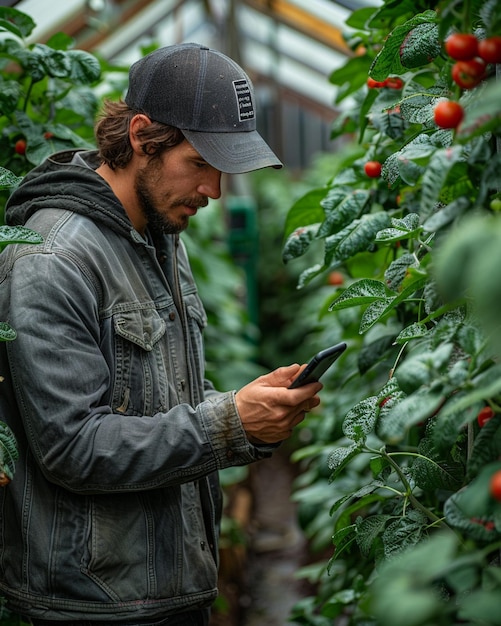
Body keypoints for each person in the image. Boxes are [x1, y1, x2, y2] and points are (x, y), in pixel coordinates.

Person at [0, 43, 322, 625]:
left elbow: (155, 402)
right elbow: (71, 447)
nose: (214, 190)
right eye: (199, 163)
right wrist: (228, 424)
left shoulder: (157, 237)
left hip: (164, 584)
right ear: (143, 136)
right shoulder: (54, 259)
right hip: (96, 603)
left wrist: (249, 411)